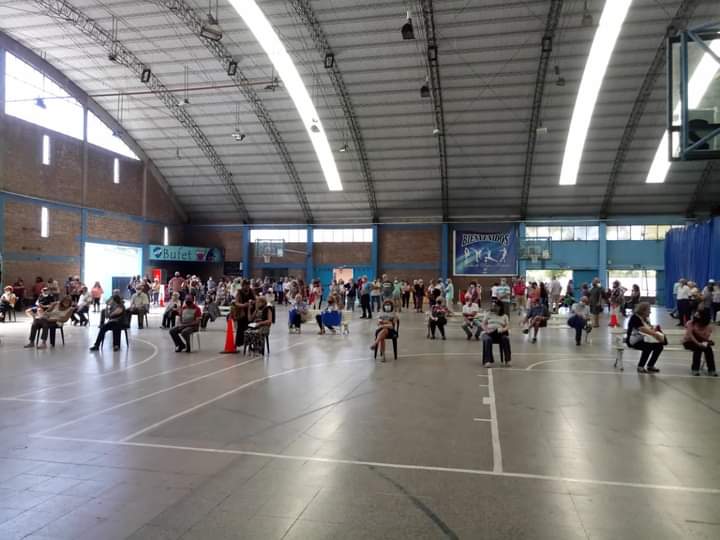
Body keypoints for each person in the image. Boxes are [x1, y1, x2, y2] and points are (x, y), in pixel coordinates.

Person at [627, 302, 665, 374]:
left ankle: (650, 365)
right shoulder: (635, 317)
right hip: (634, 340)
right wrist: (655, 334)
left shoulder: (646, 318)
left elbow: (649, 328)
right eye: (649, 310)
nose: (650, 312)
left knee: (659, 346)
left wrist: (654, 329)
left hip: (644, 339)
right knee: (647, 347)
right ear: (643, 310)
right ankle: (640, 366)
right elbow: (642, 329)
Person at [682, 309, 716, 376]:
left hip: (701, 341)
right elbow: (691, 336)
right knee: (698, 348)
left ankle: (711, 369)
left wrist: (707, 342)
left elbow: (705, 338)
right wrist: (698, 343)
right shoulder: (690, 323)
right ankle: (695, 369)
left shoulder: (708, 326)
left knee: (709, 349)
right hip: (689, 341)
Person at [481, 301, 510, 367]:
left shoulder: (505, 316)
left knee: (505, 339)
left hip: (499, 333)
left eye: (496, 306)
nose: (494, 307)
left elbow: (508, 326)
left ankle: (507, 360)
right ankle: (487, 361)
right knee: (487, 339)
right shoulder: (488, 314)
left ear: (500, 307)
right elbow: (483, 324)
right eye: (493, 306)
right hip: (489, 333)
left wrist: (503, 329)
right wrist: (487, 330)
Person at [231, 280, 255, 349]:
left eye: (248, 285)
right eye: (245, 285)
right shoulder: (239, 292)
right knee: (240, 329)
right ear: (242, 285)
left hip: (250, 312)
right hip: (242, 313)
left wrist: (252, 302)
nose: (247, 286)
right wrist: (244, 305)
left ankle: (250, 345)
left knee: (250, 328)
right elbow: (236, 303)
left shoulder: (251, 291)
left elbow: (256, 300)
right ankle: (237, 344)